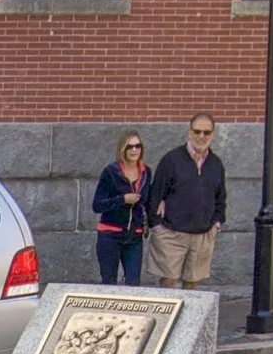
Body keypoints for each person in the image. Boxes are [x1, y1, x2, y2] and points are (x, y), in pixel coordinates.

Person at [148, 114, 227, 287]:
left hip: (202, 236)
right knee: (168, 284)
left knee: (192, 285)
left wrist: (216, 225)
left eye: (206, 132)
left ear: (213, 135)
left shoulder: (216, 164)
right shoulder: (171, 160)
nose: (201, 136)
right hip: (171, 234)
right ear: (189, 132)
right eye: (197, 131)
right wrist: (157, 227)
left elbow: (221, 198)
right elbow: (155, 195)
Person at [91, 130, 152, 284]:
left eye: (137, 146)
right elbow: (97, 205)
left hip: (134, 236)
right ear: (122, 149)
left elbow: (148, 200)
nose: (134, 150)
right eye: (129, 147)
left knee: (133, 283)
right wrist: (122, 199)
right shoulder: (111, 172)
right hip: (110, 234)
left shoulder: (146, 172)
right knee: (109, 282)